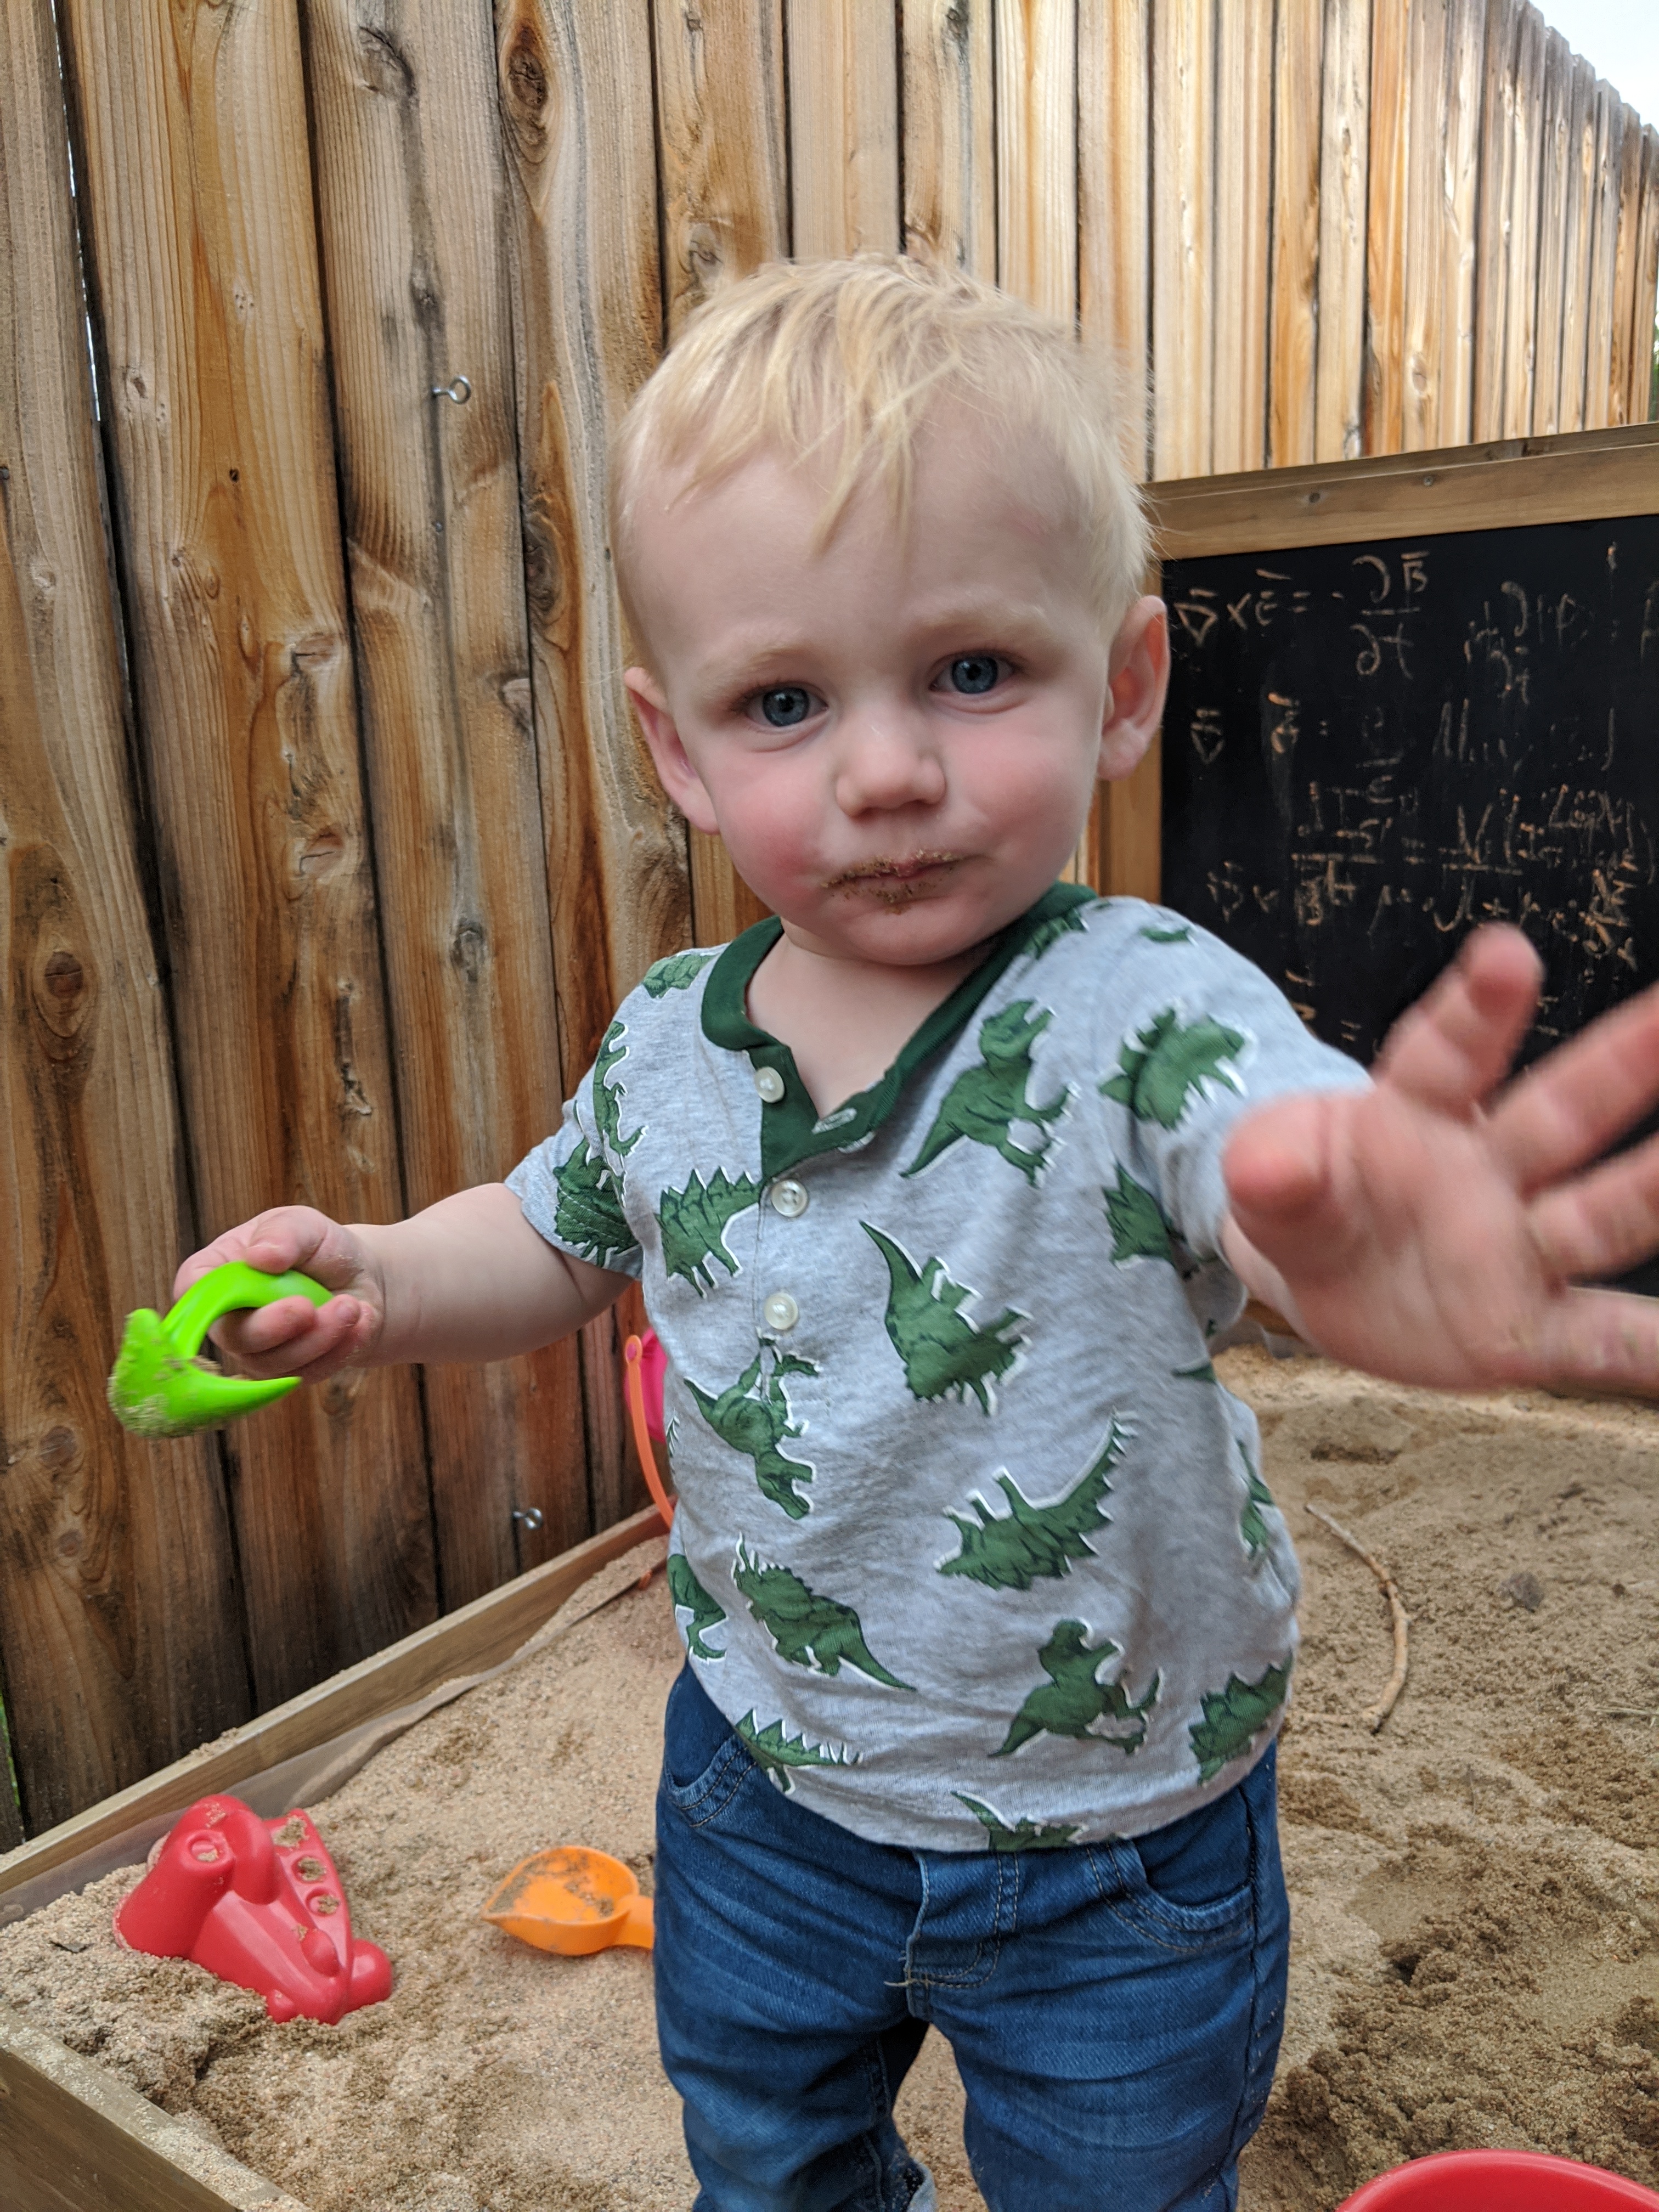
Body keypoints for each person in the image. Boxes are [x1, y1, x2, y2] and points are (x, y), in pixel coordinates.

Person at [179, 258, 1659, 2212]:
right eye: (786, 701)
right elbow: (552, 1240)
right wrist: (377, 1282)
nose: (885, 768)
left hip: (1117, 1841)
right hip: (762, 1784)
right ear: (681, 748)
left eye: (972, 671)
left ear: (1119, 685)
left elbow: (1278, 1159)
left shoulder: (1144, 1006)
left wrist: (1351, 1252)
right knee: (769, 2159)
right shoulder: (664, 1043)